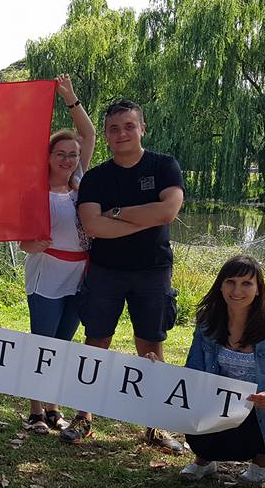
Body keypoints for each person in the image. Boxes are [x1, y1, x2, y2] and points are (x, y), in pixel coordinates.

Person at [64, 99, 185, 452]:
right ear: (105, 135)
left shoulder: (164, 166)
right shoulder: (97, 178)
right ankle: (84, 416)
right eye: (114, 129)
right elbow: (92, 225)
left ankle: (154, 424)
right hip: (106, 272)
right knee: (96, 342)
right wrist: (139, 218)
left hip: (153, 272)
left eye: (129, 126)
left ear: (142, 128)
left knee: (150, 346)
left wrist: (115, 214)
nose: (122, 134)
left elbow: (168, 212)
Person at [18, 74, 95, 434]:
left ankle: (53, 406)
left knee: (63, 344)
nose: (68, 159)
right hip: (47, 272)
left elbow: (90, 134)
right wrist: (31, 245)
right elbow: (22, 238)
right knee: (42, 342)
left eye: (73, 155)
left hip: (80, 276)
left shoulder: (80, 182)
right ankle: (35, 411)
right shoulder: (34, 191)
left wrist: (72, 99)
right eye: (61, 154)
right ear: (48, 156)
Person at [178, 255, 265, 483]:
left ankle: (262, 459)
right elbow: (193, 370)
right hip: (218, 404)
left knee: (259, 418)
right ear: (220, 286)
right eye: (230, 282)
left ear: (258, 289)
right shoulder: (206, 323)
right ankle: (204, 458)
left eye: (246, 283)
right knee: (196, 409)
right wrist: (157, 368)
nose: (237, 290)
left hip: (258, 410)